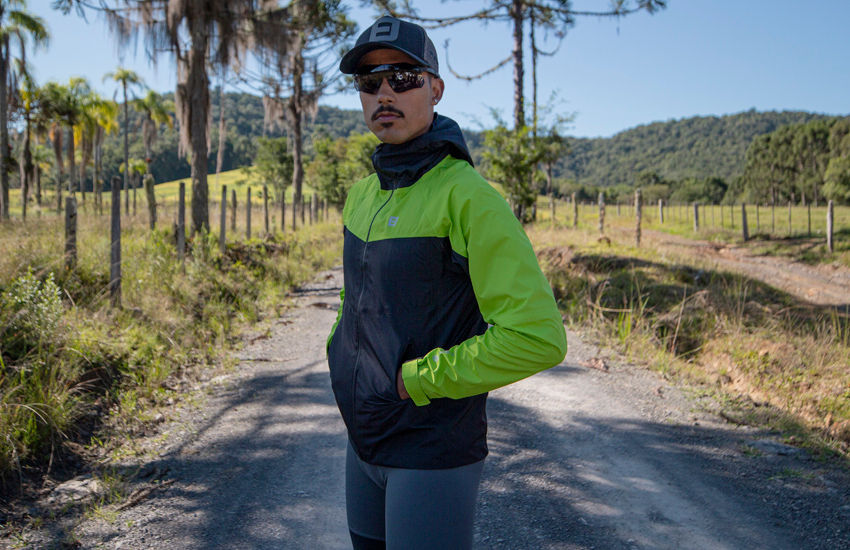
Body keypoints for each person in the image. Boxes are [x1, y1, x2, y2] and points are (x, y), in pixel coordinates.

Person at [326, 15, 568, 550]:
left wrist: (417, 380)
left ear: (436, 88)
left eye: (403, 78)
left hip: (431, 451)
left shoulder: (469, 197)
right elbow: (355, 297)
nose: (384, 92)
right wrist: (340, 351)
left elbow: (537, 337)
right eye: (370, 82)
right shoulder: (363, 194)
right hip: (362, 439)